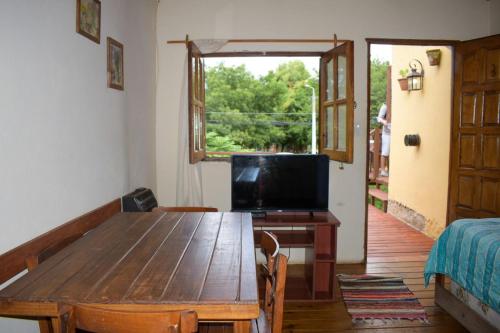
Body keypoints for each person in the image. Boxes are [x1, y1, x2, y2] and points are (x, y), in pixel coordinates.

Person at [377, 103, 390, 177]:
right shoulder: (385, 106)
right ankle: (382, 170)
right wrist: (384, 122)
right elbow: (379, 118)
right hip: (387, 133)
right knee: (385, 151)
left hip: (396, 132)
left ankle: (389, 169)